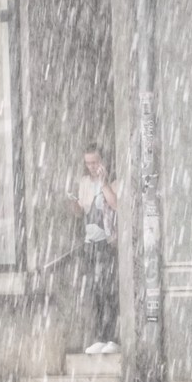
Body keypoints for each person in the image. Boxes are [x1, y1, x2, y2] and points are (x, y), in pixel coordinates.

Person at [71, 142, 121, 355]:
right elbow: (81, 210)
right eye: (88, 163)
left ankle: (112, 337)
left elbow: (116, 204)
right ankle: (99, 336)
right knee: (94, 291)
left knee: (108, 290)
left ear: (103, 161)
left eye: (95, 162)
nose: (91, 167)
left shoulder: (114, 182)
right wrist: (72, 204)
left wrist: (103, 182)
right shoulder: (84, 182)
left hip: (106, 242)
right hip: (89, 242)